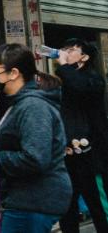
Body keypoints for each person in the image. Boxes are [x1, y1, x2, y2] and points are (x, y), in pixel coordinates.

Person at [0, 43, 71, 232]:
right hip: (27, 199)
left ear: (14, 73)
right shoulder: (19, 104)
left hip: (34, 201)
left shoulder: (33, 107)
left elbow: (35, 158)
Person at [56, 37, 108, 233]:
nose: (65, 53)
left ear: (84, 57)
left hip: (92, 155)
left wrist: (64, 67)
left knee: (97, 203)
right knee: (68, 205)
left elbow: (80, 87)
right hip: (69, 154)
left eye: (71, 50)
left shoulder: (94, 80)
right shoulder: (64, 82)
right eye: (64, 49)